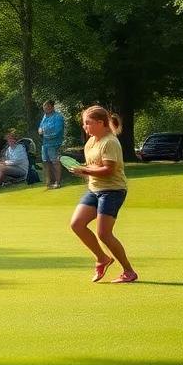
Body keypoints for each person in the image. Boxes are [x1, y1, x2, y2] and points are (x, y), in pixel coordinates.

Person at [67, 105, 137, 284]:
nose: (85, 127)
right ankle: (102, 259)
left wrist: (85, 170)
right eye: (84, 123)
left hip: (112, 191)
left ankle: (129, 271)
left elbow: (108, 170)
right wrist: (84, 170)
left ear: (100, 123)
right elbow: (92, 165)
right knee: (77, 224)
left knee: (104, 234)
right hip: (94, 190)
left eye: (87, 123)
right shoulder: (91, 141)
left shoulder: (110, 142)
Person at [38, 100, 65, 190]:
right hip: (45, 144)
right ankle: (49, 183)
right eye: (45, 107)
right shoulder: (44, 117)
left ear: (52, 107)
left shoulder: (58, 117)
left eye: (48, 106)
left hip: (54, 144)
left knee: (55, 162)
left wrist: (44, 134)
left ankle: (58, 182)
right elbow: (40, 127)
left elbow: (57, 131)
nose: (46, 108)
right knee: (46, 162)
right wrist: (40, 131)